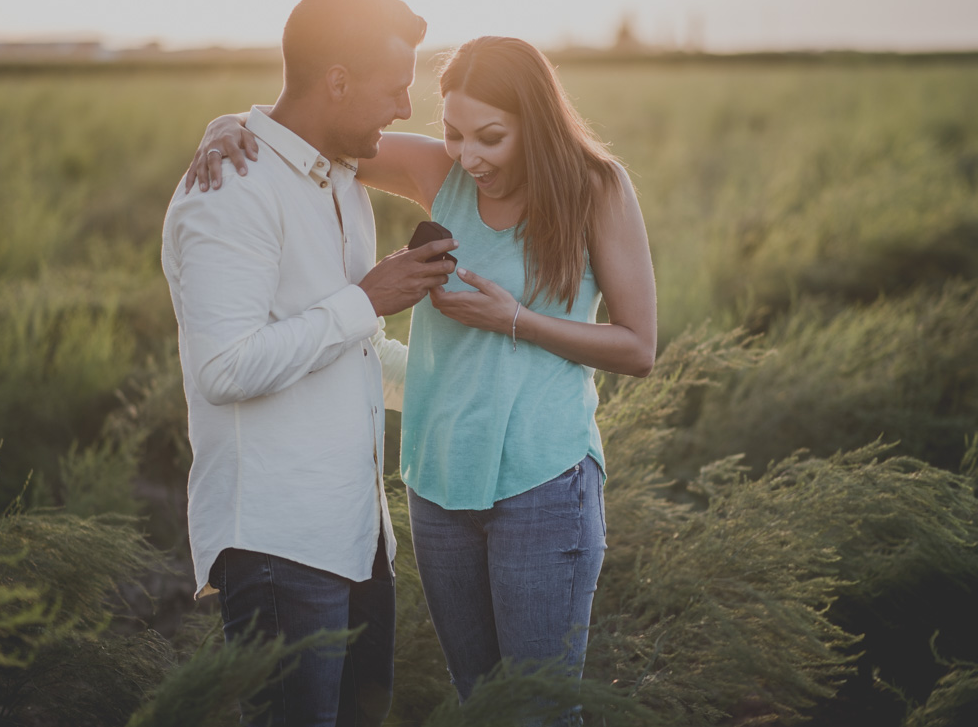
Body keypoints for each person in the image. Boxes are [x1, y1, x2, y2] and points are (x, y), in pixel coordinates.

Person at [189, 36, 657, 722]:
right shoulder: (442, 173)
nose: (470, 155)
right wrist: (228, 123)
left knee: (537, 712)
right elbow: (313, 131)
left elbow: (638, 346)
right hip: (437, 488)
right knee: (480, 702)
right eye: (454, 132)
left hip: (546, 481)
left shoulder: (598, 187)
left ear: (539, 120)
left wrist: (515, 319)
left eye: (491, 137)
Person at [161, 0, 457, 727]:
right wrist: (366, 298)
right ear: (336, 81)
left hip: (357, 538)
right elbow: (223, 367)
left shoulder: (339, 180)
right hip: (277, 546)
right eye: (396, 87)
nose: (405, 108)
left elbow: (354, 349)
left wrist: (461, 389)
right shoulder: (230, 188)